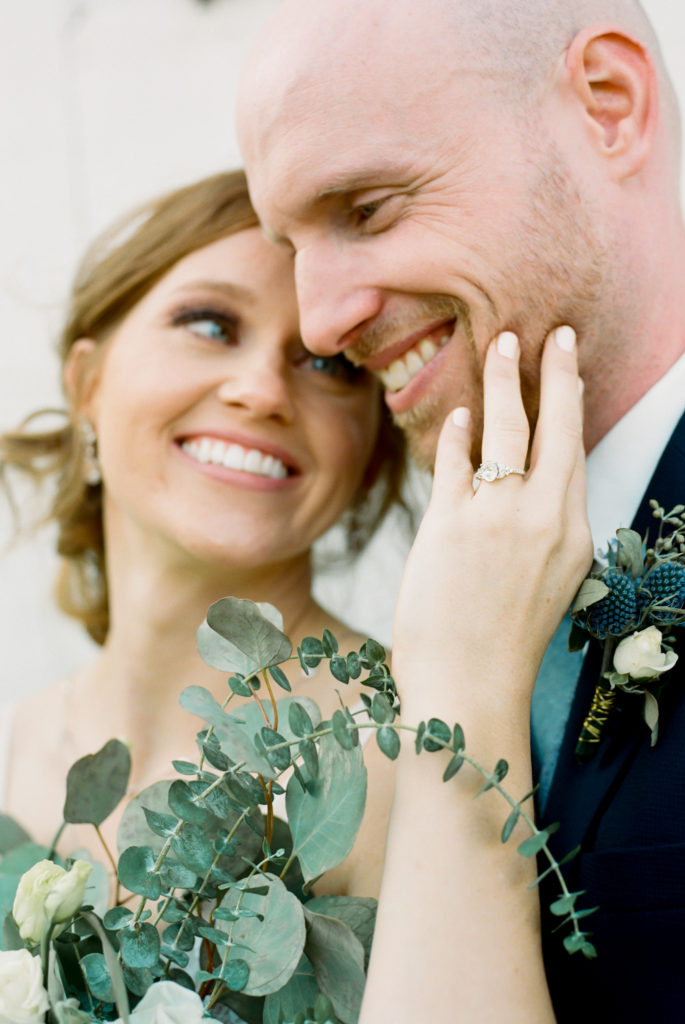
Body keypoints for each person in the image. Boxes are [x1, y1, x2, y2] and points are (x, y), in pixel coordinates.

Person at [237, 0, 685, 1020]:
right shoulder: (436, 610)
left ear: (609, 106)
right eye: (291, 243)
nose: (321, 322)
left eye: (367, 208)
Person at [0, 169, 407, 899]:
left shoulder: (394, 752)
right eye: (212, 325)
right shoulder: (22, 738)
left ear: (371, 448)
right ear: (87, 384)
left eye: (328, 363)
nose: (262, 391)